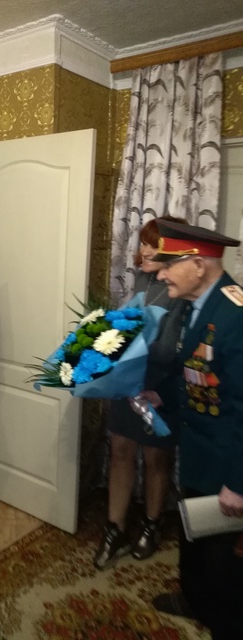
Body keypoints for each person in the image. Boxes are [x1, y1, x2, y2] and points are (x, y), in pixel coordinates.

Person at [149, 220, 243, 640]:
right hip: (199, 451)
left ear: (198, 265)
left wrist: (238, 483)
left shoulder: (236, 316)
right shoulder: (194, 304)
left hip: (226, 463)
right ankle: (194, 599)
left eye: (169, 265)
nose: (161, 274)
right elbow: (196, 369)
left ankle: (224, 623)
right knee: (194, 538)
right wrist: (162, 396)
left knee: (223, 563)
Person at [94, 216, 188, 570]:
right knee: (120, 450)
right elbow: (127, 324)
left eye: (153, 246)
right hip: (128, 382)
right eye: (143, 243)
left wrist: (133, 340)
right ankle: (115, 527)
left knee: (156, 458)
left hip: (161, 389)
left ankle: (151, 522)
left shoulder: (181, 289)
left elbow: (170, 350)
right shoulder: (143, 278)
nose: (144, 251)